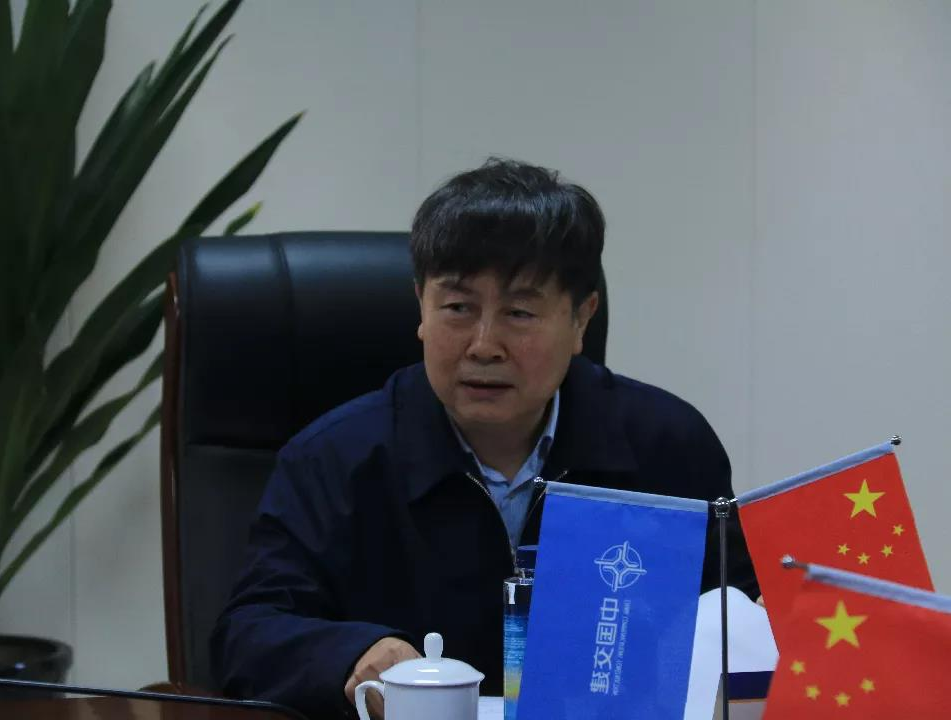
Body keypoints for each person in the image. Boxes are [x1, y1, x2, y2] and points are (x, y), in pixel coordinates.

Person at [210, 159, 758, 719]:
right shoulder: (333, 459)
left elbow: (743, 620)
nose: (483, 345)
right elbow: (247, 633)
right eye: (458, 308)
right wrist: (350, 654)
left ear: (581, 319)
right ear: (420, 306)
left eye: (519, 312)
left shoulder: (667, 447)